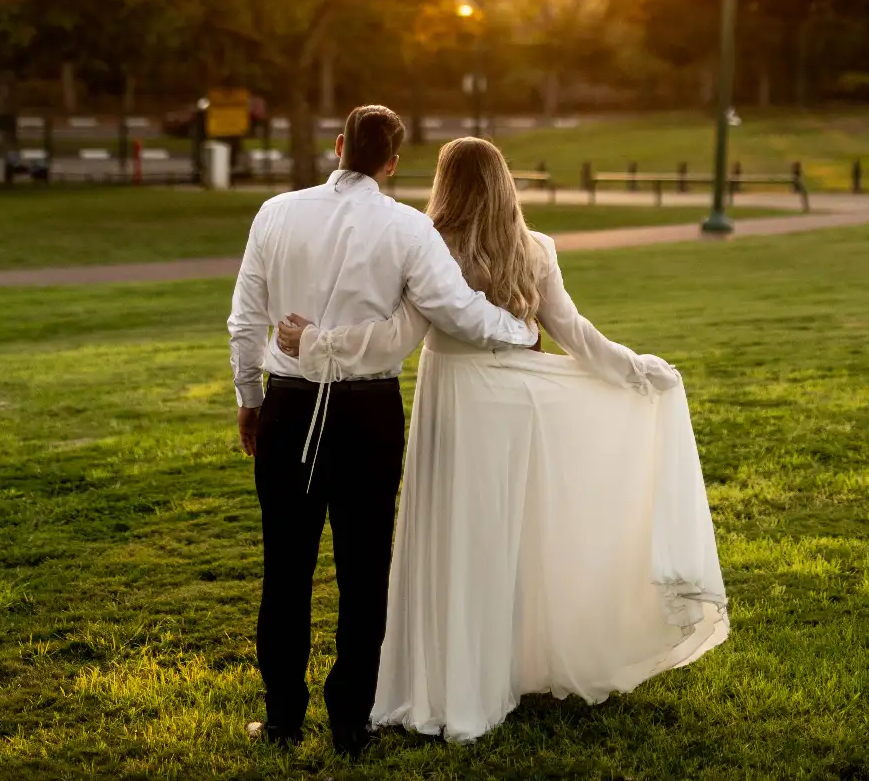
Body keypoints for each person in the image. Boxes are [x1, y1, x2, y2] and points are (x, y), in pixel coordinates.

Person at [276, 135, 728, 744]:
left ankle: (454, 682)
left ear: (445, 184)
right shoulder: (533, 248)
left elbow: (396, 336)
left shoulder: (427, 244)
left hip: (455, 404)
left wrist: (318, 342)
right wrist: (636, 369)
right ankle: (504, 670)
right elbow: (573, 332)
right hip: (515, 408)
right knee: (507, 541)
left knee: (453, 540)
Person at [227, 105, 539, 759]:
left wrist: (249, 398)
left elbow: (246, 317)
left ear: (339, 145)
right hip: (368, 416)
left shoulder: (275, 213)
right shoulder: (408, 228)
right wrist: (520, 330)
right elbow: (456, 309)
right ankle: (351, 723)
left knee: (285, 569)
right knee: (364, 571)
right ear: (392, 163)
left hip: (287, 405)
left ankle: (282, 719)